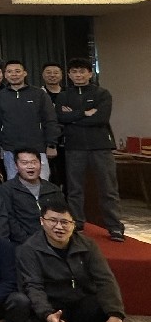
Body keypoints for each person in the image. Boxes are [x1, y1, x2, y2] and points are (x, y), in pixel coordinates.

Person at [17, 196, 126, 322]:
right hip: (51, 305)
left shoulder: (88, 245)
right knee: (39, 319)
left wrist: (115, 314)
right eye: (53, 221)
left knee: (107, 304)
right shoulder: (29, 249)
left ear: (74, 224)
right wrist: (48, 315)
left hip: (80, 301)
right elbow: (33, 287)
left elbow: (105, 280)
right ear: (42, 221)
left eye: (65, 222)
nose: (59, 227)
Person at [57, 57, 123, 240]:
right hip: (74, 147)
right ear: (69, 75)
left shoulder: (102, 93)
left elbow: (101, 118)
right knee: (74, 189)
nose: (78, 75)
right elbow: (61, 117)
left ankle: (115, 227)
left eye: (82, 71)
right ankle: (76, 223)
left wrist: (73, 117)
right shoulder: (64, 95)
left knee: (108, 188)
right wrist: (85, 113)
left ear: (90, 73)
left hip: (101, 146)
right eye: (74, 72)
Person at [0, 60, 60, 181]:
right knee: (14, 184)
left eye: (17, 71)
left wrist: (51, 144)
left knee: (41, 183)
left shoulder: (39, 94)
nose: (14, 74)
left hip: (37, 148)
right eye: (10, 72)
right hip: (10, 149)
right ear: (5, 75)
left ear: (25, 73)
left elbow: (50, 120)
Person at [0, 148, 61, 245]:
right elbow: (9, 220)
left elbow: (61, 215)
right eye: (24, 163)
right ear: (16, 166)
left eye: (34, 162)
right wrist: (29, 243)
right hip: (22, 244)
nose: (30, 166)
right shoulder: (7, 189)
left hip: (52, 241)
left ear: (40, 164)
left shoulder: (53, 189)